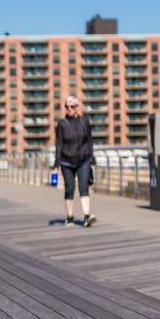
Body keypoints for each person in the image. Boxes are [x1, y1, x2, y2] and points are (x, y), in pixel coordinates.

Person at [55, 95, 97, 227]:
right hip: (66, 162)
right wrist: (57, 162)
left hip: (83, 160)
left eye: (72, 106)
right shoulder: (62, 124)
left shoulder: (85, 121)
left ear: (77, 107)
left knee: (84, 188)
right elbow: (59, 144)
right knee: (69, 189)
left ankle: (86, 216)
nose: (69, 109)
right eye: (67, 107)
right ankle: (70, 217)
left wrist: (92, 157)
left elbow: (89, 141)